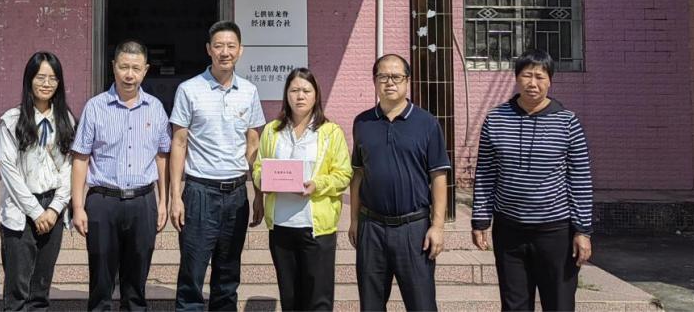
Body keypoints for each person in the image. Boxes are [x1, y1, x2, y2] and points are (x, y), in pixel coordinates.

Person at [471, 48, 594, 312]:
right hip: (509, 230)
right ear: (517, 78)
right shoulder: (496, 119)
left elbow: (580, 179)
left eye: (540, 76)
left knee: (559, 304)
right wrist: (480, 219)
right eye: (527, 76)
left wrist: (582, 230)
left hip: (555, 231)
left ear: (550, 81)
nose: (533, 83)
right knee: (514, 304)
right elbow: (485, 173)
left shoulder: (568, 122)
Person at [169, 20, 266, 312]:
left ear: (240, 50)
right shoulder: (189, 90)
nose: (225, 52)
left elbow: (253, 144)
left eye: (231, 46)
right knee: (192, 273)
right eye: (219, 46)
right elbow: (179, 143)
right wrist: (176, 197)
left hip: (236, 194)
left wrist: (258, 194)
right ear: (208, 50)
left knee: (228, 275)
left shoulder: (249, 91)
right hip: (199, 192)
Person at [71, 40, 171, 311]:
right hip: (103, 202)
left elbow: (162, 156)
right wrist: (78, 206)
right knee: (101, 282)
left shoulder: (155, 108)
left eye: (136, 68)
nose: (129, 74)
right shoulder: (95, 107)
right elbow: (81, 158)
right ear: (113, 67)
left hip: (143, 202)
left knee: (136, 283)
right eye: (124, 67)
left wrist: (163, 201)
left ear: (146, 70)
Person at [348, 53, 450, 312]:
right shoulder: (362, 122)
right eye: (383, 76)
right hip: (371, 227)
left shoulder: (427, 123)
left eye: (396, 76)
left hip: (413, 229)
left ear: (407, 81)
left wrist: (437, 226)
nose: (389, 82)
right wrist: (354, 220)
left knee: (422, 305)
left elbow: (438, 176)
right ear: (375, 81)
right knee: (371, 305)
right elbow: (358, 174)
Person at [251, 67, 352, 311]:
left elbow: (343, 175)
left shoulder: (330, 132)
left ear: (316, 95)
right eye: (294, 90)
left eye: (306, 90)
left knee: (318, 299)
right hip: (281, 227)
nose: (300, 96)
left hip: (316, 229)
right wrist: (265, 180)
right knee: (290, 298)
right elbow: (258, 166)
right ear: (286, 94)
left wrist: (317, 185)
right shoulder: (273, 130)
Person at [0, 51, 77, 310]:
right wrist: (35, 211)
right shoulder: (12, 120)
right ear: (29, 79)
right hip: (21, 209)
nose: (46, 83)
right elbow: (8, 170)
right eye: (40, 77)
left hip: (53, 207)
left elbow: (69, 168)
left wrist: (54, 208)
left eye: (52, 78)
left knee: (40, 292)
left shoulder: (66, 120)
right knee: (17, 292)